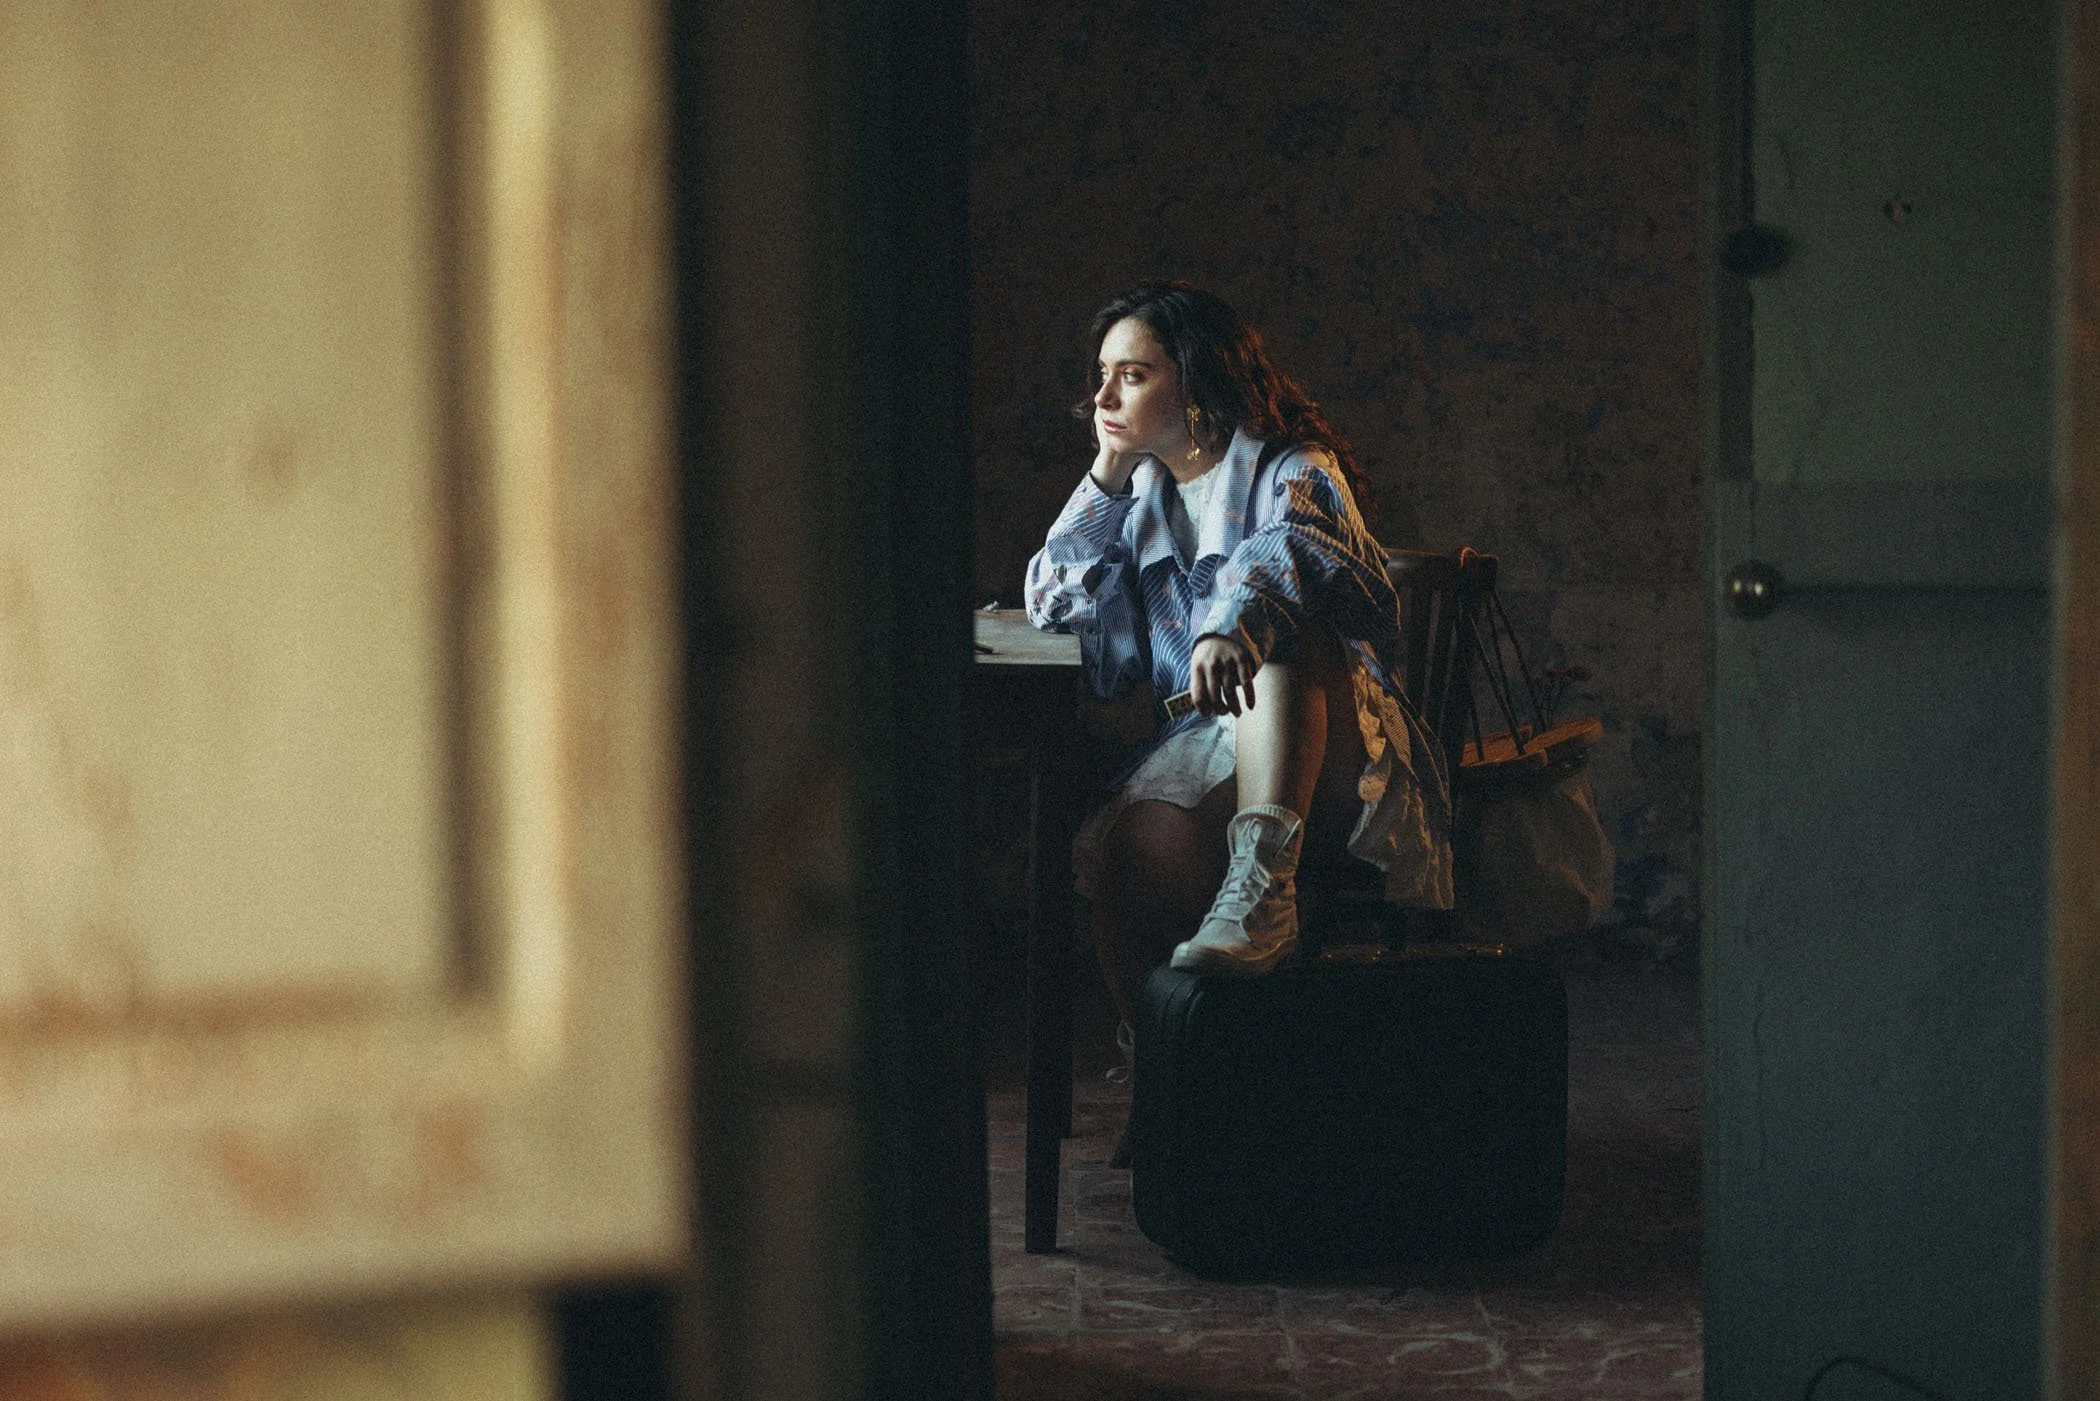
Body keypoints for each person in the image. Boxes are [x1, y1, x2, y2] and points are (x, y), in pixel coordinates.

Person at [1025, 281, 1454, 1047]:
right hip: (1210, 752)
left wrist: (1232, 624)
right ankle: (1167, 1076)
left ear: (1194, 378)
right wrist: (1107, 474)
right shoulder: (1144, 495)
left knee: (1281, 633)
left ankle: (1264, 888)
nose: (1103, 395)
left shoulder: (1290, 464)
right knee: (1126, 855)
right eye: (1101, 374)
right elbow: (1059, 605)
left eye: (1133, 373)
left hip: (1330, 757)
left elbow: (1296, 549)